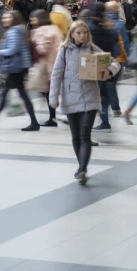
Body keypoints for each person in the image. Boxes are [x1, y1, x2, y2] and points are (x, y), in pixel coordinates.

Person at [49, 21, 121, 185]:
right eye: (79, 33)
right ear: (72, 34)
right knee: (75, 136)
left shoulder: (93, 49)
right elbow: (56, 75)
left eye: (85, 33)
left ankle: (82, 169)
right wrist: (53, 98)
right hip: (70, 96)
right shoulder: (65, 50)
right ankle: (81, 166)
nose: (82, 36)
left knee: (84, 134)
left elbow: (115, 62)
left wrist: (109, 71)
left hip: (90, 97)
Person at [0, 11, 40, 132]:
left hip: (16, 67)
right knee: (8, 93)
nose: (4, 19)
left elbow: (14, 49)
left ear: (14, 19)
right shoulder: (18, 29)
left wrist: (0, 53)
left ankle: (34, 122)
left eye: (7, 17)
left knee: (19, 94)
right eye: (4, 17)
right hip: (18, 66)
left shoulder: (14, 31)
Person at [84, 3, 121, 130]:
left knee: (94, 95)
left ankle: (93, 120)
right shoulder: (107, 28)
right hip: (107, 64)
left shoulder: (90, 28)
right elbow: (114, 41)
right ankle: (105, 120)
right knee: (103, 95)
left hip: (92, 64)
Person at [29, 10, 62, 127]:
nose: (32, 20)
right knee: (48, 92)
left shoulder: (41, 31)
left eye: (34, 18)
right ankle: (52, 117)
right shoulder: (55, 28)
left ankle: (52, 117)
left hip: (46, 66)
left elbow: (42, 49)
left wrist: (33, 45)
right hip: (55, 65)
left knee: (46, 92)